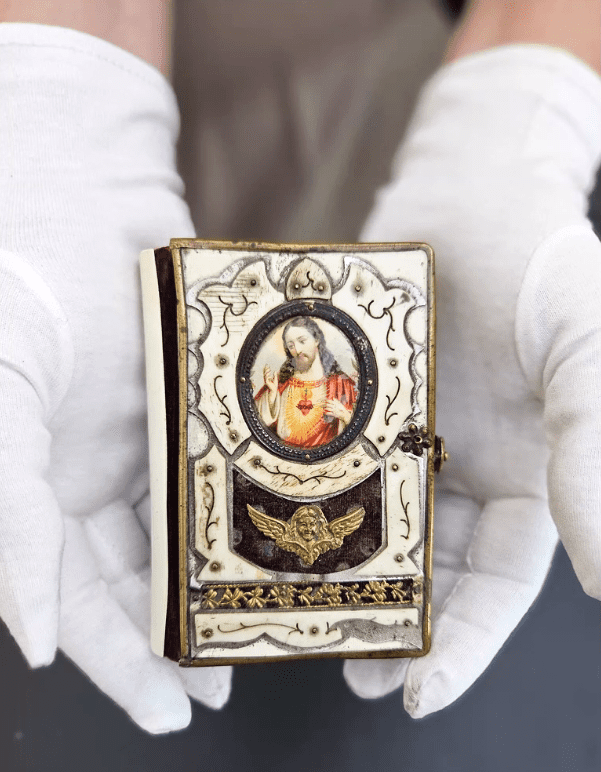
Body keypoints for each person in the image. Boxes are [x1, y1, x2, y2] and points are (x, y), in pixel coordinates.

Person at [0, 0, 599, 737]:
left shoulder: (337, 382)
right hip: (140, 102)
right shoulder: (282, 381)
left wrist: (516, 103)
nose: (303, 351)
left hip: (390, 99)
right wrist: (59, 99)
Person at [254, 317, 356, 447]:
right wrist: (272, 395)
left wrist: (346, 416)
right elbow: (256, 423)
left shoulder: (342, 384)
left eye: (302, 341)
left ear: (317, 340)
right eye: (291, 345)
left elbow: (362, 427)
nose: (297, 350)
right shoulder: (280, 382)